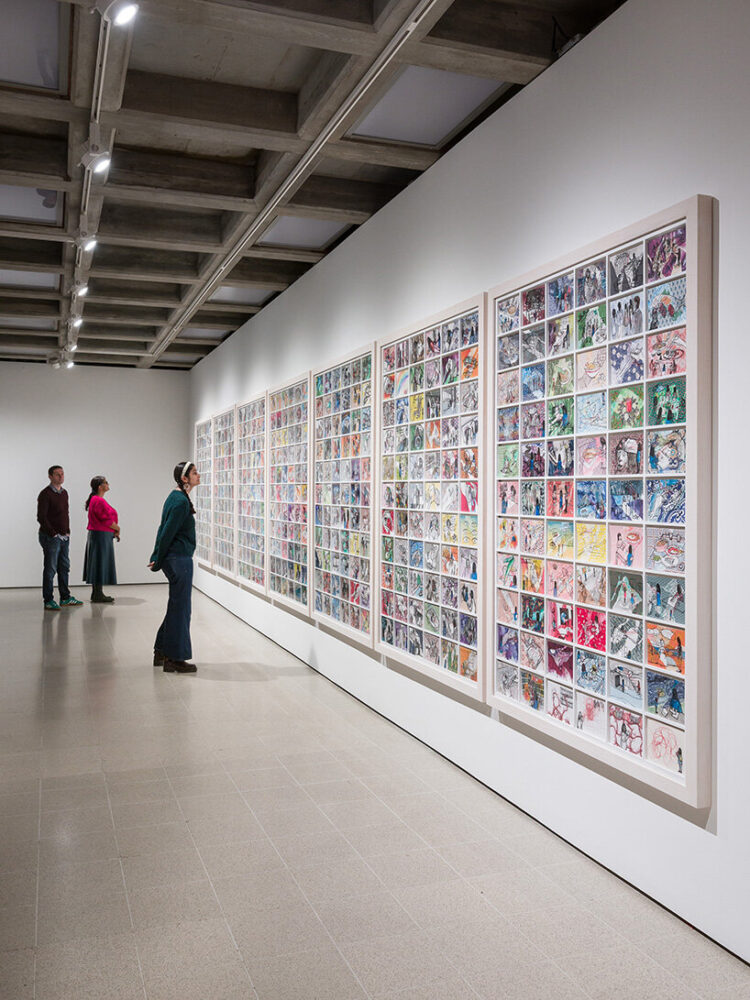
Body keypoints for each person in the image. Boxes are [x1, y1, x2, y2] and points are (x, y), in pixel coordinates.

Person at [148, 461, 200, 674]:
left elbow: (163, 529)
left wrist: (157, 555)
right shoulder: (179, 501)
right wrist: (157, 559)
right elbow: (167, 531)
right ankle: (175, 658)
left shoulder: (176, 497)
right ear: (184, 478)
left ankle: (161, 650)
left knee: (176, 607)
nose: (199, 475)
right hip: (179, 560)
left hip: (175, 558)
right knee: (182, 609)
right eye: (194, 473)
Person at [37, 465, 83, 610]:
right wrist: (53, 533)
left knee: (64, 567)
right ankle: (48, 600)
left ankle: (65, 597)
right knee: (50, 569)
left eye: (62, 474)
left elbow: (65, 514)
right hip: (51, 537)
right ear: (50, 476)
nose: (61, 477)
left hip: (64, 537)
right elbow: (41, 517)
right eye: (57, 474)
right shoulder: (45, 494)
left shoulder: (64, 493)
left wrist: (67, 531)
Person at [83, 475, 120, 603]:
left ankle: (97, 593)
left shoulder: (95, 500)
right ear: (100, 486)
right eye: (106, 482)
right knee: (99, 562)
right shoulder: (98, 500)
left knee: (98, 562)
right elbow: (106, 519)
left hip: (99, 535)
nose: (108, 484)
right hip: (100, 535)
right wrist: (117, 528)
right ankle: (98, 594)